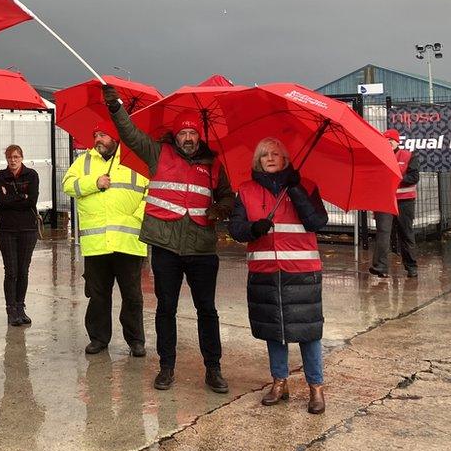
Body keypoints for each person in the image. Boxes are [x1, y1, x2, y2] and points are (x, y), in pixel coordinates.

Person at [103, 85, 235, 393]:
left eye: (192, 134)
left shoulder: (214, 164)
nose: (188, 139)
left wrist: (221, 207)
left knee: (207, 310)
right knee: (166, 309)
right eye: (183, 134)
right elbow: (131, 134)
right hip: (165, 247)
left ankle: (213, 369)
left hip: (202, 248)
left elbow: (229, 197)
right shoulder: (157, 153)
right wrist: (115, 108)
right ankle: (166, 367)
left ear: (198, 137)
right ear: (175, 137)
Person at [228, 137, 328, 414]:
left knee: (309, 332)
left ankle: (315, 388)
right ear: (257, 161)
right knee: (274, 331)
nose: (270, 158)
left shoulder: (305, 186)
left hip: (302, 273)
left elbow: (318, 222)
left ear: (285, 159)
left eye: (276, 153)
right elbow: (234, 229)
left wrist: (295, 191)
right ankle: (279, 382)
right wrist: (252, 229)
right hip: (265, 273)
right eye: (264, 155)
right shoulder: (245, 191)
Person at [62, 130, 149, 355]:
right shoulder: (83, 162)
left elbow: (150, 191)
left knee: (132, 296)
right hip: (97, 243)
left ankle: (136, 340)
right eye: (95, 135)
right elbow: (68, 185)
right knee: (98, 295)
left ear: (116, 138)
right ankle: (99, 338)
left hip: (128, 241)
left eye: (103, 135)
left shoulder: (136, 161)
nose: (97, 139)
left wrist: (137, 217)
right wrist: (95, 182)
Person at [0, 144, 40, 326]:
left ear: (22, 157)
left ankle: (20, 306)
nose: (13, 160)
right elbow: (0, 200)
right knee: (11, 271)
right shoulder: (0, 176)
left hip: (28, 229)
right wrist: (22, 197)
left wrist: (11, 196)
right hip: (7, 229)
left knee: (23, 270)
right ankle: (11, 309)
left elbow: (32, 200)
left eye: (16, 157)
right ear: (6, 159)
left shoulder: (32, 175)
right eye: (10, 157)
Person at [370, 129, 419, 278]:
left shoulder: (409, 155)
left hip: (405, 201)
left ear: (397, 141)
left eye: (391, 140)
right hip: (384, 200)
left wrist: (396, 178)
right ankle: (380, 267)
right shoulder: (378, 157)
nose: (389, 143)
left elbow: (414, 177)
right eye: (386, 140)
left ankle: (411, 267)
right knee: (383, 233)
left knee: (406, 233)